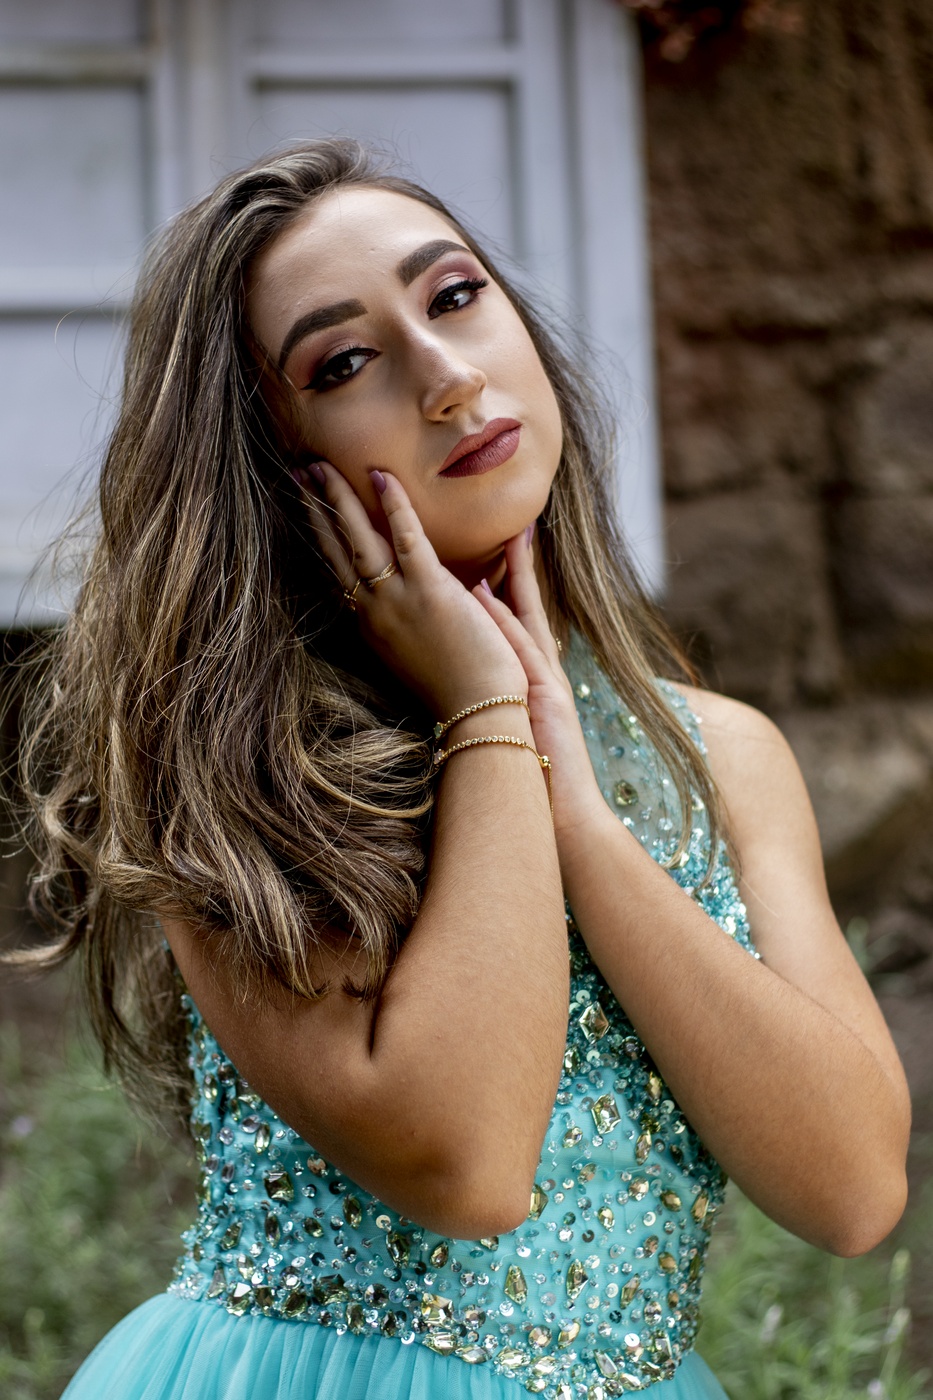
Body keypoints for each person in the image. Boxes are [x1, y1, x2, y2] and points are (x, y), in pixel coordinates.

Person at [12, 139, 909, 1400]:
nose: (448, 377)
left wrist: (581, 816)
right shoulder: (235, 768)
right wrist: (487, 710)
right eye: (345, 363)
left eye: (454, 296)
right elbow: (470, 1163)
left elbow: (853, 1189)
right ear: (271, 461)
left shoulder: (724, 757)